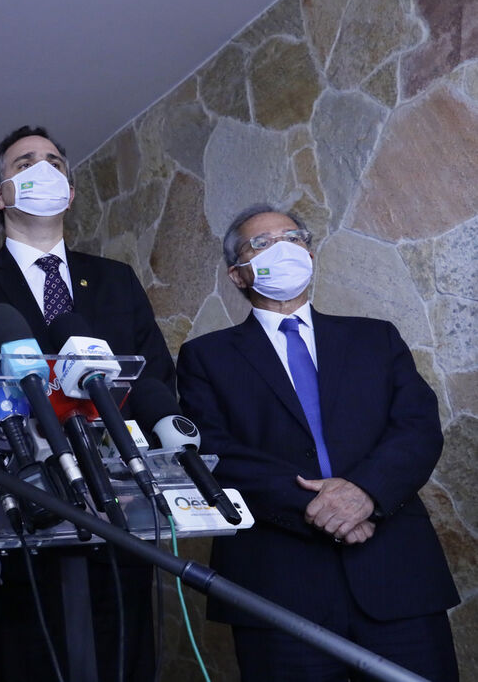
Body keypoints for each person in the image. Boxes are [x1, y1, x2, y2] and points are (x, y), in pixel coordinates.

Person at [176, 204, 459, 681]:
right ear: (237, 275)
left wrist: (364, 493)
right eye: (261, 244)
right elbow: (214, 451)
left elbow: (417, 427)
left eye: (294, 237)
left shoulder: (376, 339)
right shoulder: (206, 356)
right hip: (279, 587)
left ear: (309, 253)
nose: (283, 249)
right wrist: (324, 508)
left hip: (396, 576)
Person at [0, 125, 175, 681]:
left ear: (69, 190)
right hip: (21, 534)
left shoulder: (115, 280)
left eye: (53, 162)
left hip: (120, 526)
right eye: (24, 163)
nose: (42, 169)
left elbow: (154, 377)